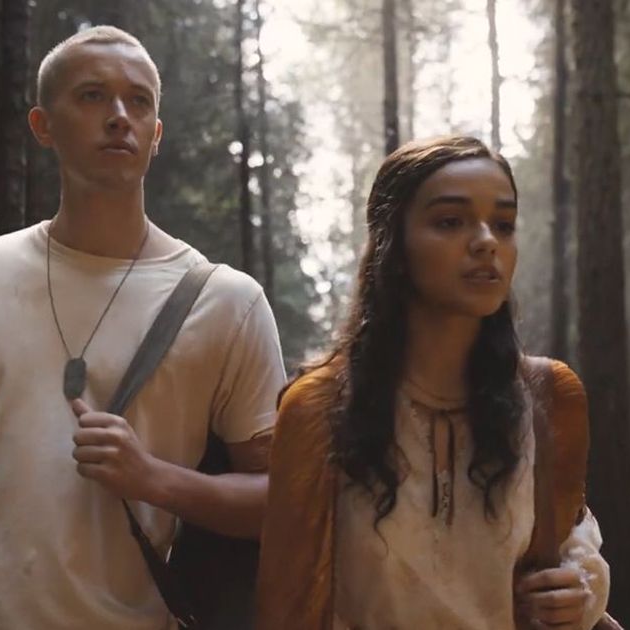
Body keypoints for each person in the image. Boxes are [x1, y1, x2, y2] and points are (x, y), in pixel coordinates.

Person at [0, 25, 286, 629]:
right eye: (92, 96)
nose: (118, 116)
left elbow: (278, 502)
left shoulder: (228, 302)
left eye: (139, 101)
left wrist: (154, 479)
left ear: (156, 136)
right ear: (43, 126)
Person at [256, 136, 611, 630]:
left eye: (503, 224)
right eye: (450, 221)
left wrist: (576, 591)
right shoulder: (318, 408)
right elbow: (286, 608)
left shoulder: (549, 397)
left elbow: (570, 547)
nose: (487, 241)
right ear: (393, 244)